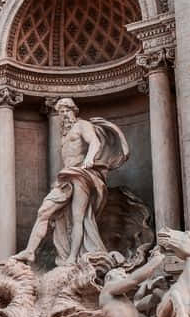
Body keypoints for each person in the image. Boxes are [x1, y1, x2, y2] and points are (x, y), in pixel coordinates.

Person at [16, 97, 129, 265]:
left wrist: (89, 159)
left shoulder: (82, 125)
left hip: (81, 174)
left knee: (78, 218)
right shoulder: (65, 134)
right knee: (44, 211)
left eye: (66, 110)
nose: (63, 115)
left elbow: (95, 142)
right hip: (67, 176)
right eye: (60, 112)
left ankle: (72, 258)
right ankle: (30, 251)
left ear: (73, 111)